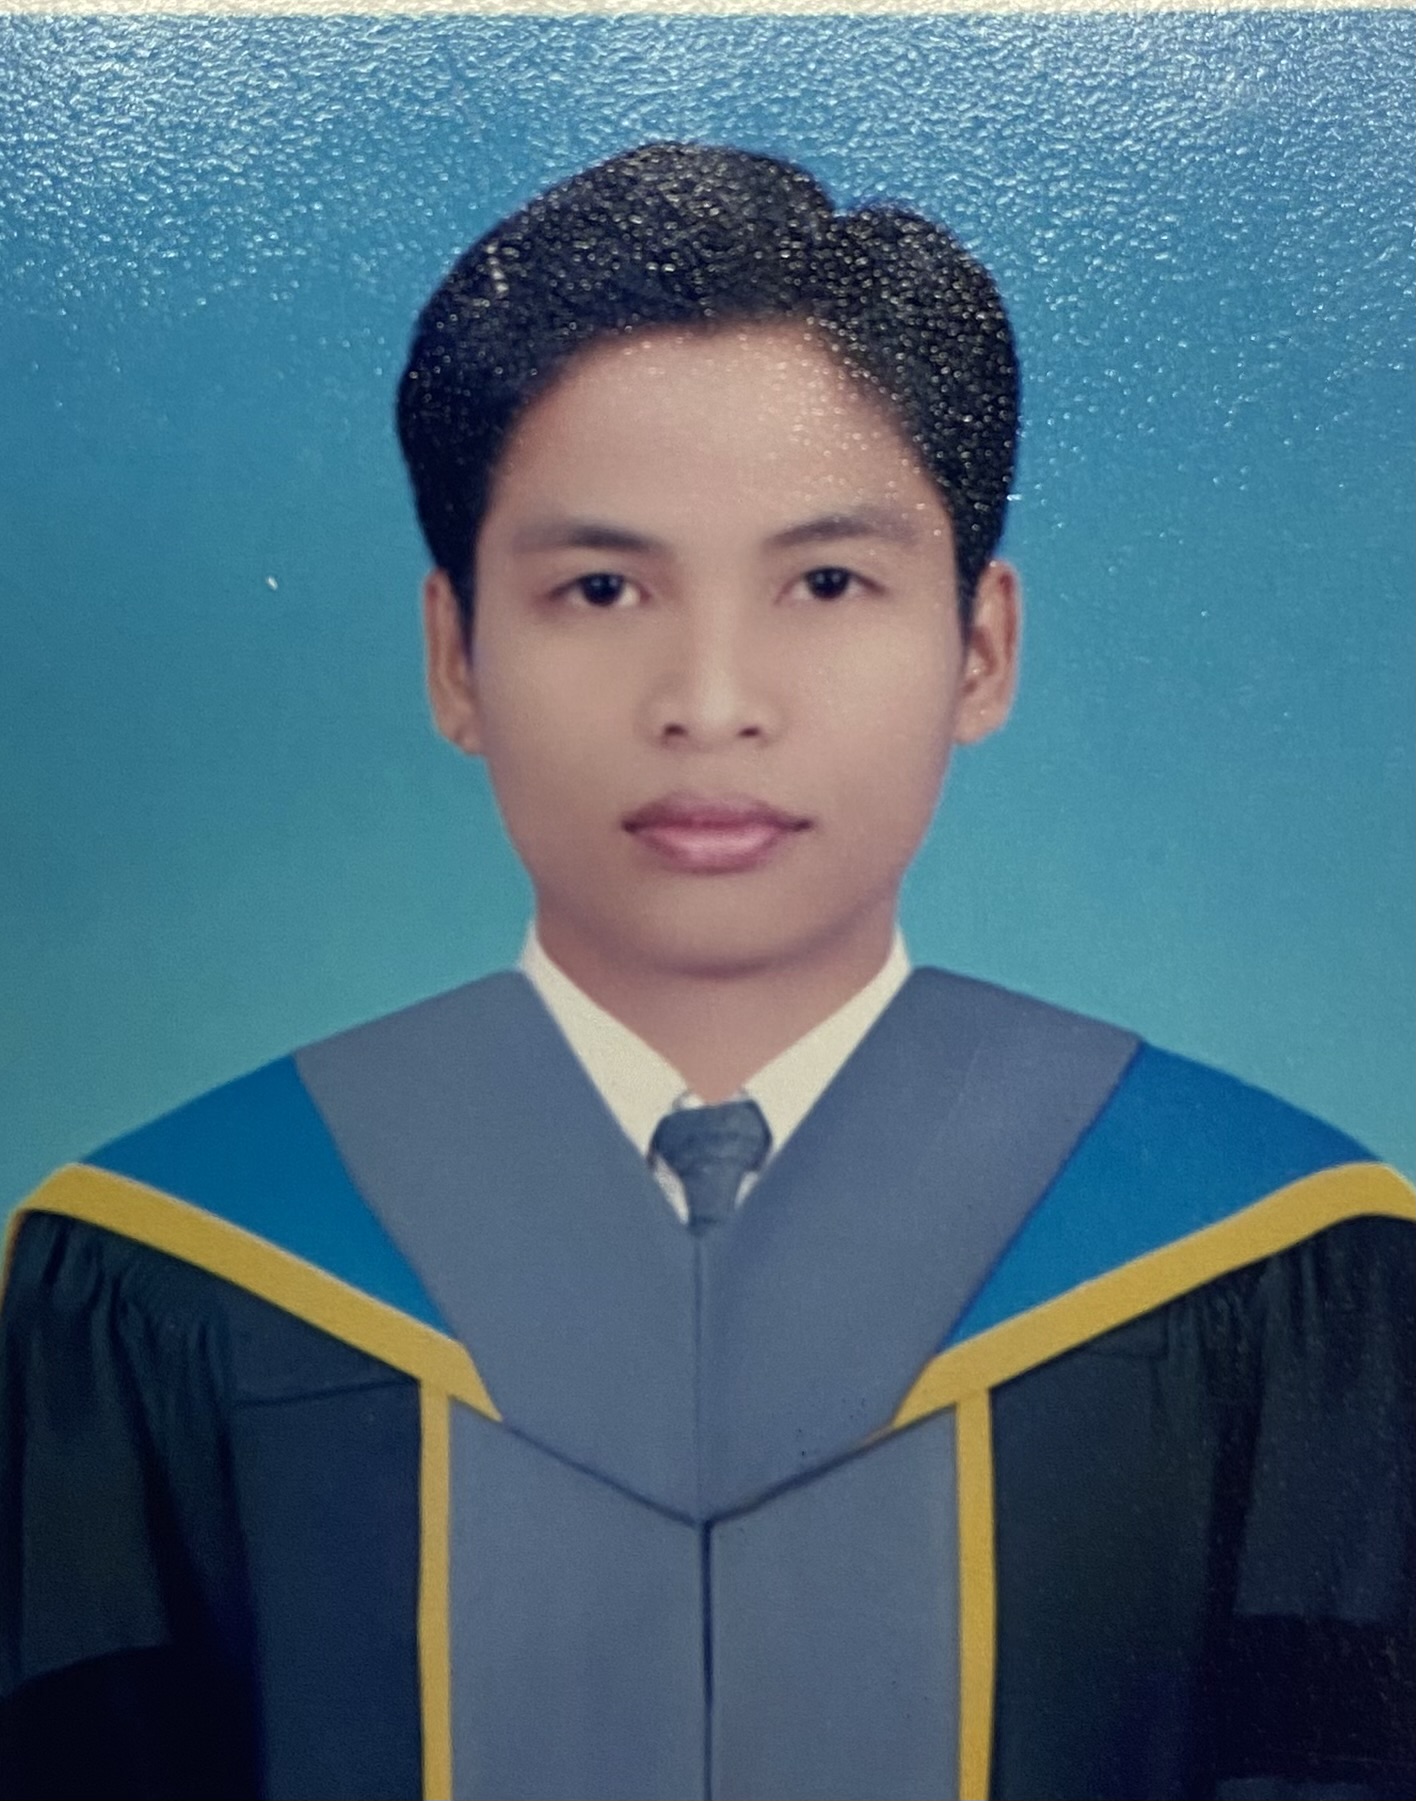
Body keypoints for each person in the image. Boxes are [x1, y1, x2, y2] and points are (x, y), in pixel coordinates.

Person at [1, 142, 1412, 1801]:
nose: (712, 700)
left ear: (981, 647)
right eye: (602, 587)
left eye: (826, 581)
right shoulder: (162, 1273)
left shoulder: (1280, 1266)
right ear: (457, 657)